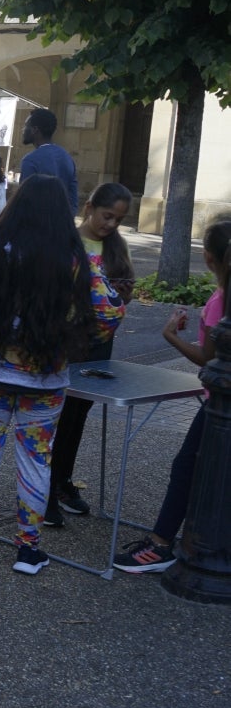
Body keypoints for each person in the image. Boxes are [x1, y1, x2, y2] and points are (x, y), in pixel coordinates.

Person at [0, 175, 116, 575]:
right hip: (45, 379)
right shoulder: (75, 260)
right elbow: (108, 312)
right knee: (36, 462)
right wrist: (74, 339)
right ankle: (28, 550)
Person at [113, 217, 230, 572]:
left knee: (185, 468)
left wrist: (171, 337)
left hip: (218, 406)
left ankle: (161, 544)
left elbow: (210, 360)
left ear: (208, 258)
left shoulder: (218, 302)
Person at [44, 183, 133, 527]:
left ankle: (64, 481)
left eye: (118, 220)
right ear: (91, 206)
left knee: (79, 415)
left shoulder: (116, 247)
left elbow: (119, 294)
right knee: (59, 415)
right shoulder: (69, 240)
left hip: (99, 343)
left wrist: (122, 294)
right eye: (107, 215)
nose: (110, 224)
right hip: (68, 338)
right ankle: (47, 490)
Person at [19, 108, 78, 216]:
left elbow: (24, 201)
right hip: (63, 226)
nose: (22, 130)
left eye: (26, 126)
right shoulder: (68, 158)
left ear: (35, 130)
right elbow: (73, 199)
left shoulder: (30, 160)